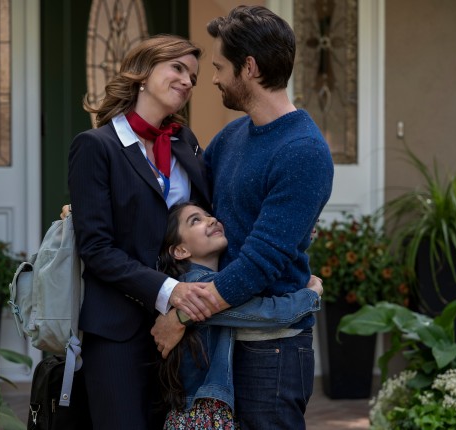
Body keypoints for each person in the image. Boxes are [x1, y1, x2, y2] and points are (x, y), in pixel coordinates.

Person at [153, 6, 334, 429]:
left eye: (219, 67)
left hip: (270, 350)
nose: (214, 79)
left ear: (249, 68)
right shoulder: (233, 135)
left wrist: (180, 315)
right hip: (221, 341)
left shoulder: (303, 151)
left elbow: (258, 265)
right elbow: (184, 204)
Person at [67, 34, 220, 430]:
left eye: (193, 77)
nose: (187, 81)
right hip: (117, 330)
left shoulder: (185, 142)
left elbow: (210, 217)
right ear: (142, 72)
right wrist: (170, 291)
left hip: (185, 330)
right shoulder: (95, 146)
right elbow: (96, 249)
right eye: (178, 68)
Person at [154, 201, 323, 429]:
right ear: (180, 250)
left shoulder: (211, 281)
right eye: (196, 220)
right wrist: (311, 295)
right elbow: (267, 314)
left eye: (208, 215)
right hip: (202, 417)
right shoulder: (197, 288)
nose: (211, 220)